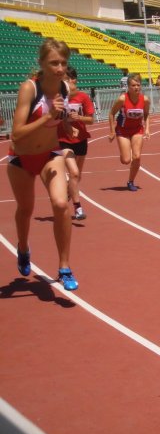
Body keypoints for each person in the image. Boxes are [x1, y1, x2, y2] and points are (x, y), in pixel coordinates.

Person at [7, 38, 79, 290]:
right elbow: (15, 134)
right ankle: (23, 247)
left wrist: (66, 124)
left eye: (63, 63)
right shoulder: (29, 88)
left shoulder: (64, 88)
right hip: (22, 158)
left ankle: (64, 266)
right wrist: (48, 116)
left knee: (61, 204)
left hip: (50, 155)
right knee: (25, 209)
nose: (60, 68)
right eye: (54, 63)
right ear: (42, 63)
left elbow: (59, 120)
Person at [57, 66, 95, 220]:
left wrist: (79, 118)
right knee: (73, 173)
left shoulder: (83, 97)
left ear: (74, 80)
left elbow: (91, 120)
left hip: (81, 139)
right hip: (63, 140)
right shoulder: (58, 98)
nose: (64, 83)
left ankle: (68, 193)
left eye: (66, 80)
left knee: (77, 176)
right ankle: (78, 207)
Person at [108, 73, 151, 191]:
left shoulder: (145, 99)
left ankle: (131, 181)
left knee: (137, 157)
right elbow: (111, 113)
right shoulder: (122, 99)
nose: (136, 87)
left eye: (138, 85)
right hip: (123, 130)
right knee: (126, 160)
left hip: (137, 129)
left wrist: (147, 129)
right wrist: (112, 131)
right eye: (133, 85)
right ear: (128, 87)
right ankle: (125, 151)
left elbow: (146, 114)